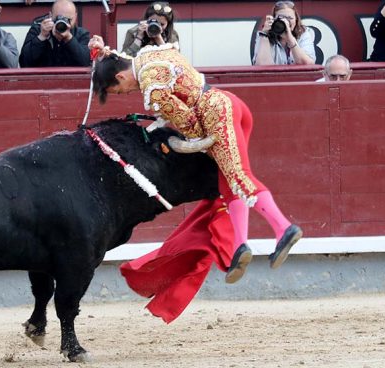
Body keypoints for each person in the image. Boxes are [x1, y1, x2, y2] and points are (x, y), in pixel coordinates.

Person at [88, 36, 303, 319]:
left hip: (214, 114)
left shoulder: (153, 88)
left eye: (118, 90)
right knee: (227, 184)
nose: (125, 93)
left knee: (239, 177)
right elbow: (122, 58)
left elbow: (187, 121)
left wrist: (190, 142)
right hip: (228, 103)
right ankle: (240, 245)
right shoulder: (149, 55)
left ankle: (283, 228)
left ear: (119, 77)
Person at [19, 0, 91, 67]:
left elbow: (86, 62)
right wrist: (41, 37)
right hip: (42, 78)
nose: (63, 23)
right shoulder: (38, 30)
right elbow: (24, 63)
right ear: (50, 15)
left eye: (68, 19)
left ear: (75, 17)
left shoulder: (81, 34)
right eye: (59, 18)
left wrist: (69, 39)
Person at [253, 1, 315, 65]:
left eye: (289, 18)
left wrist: (290, 39)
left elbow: (308, 64)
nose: (285, 22)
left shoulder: (303, 34)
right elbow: (262, 66)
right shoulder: (264, 35)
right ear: (274, 19)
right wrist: (265, 35)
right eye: (281, 18)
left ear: (296, 20)